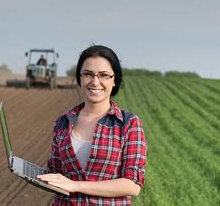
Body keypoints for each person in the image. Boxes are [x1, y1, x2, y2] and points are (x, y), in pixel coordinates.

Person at [38, 45, 147, 205]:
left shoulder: (128, 124)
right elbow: (56, 173)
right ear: (80, 79)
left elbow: (132, 185)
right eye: (88, 74)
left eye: (103, 75)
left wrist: (76, 185)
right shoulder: (63, 123)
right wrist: (31, 174)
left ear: (114, 80)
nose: (95, 82)